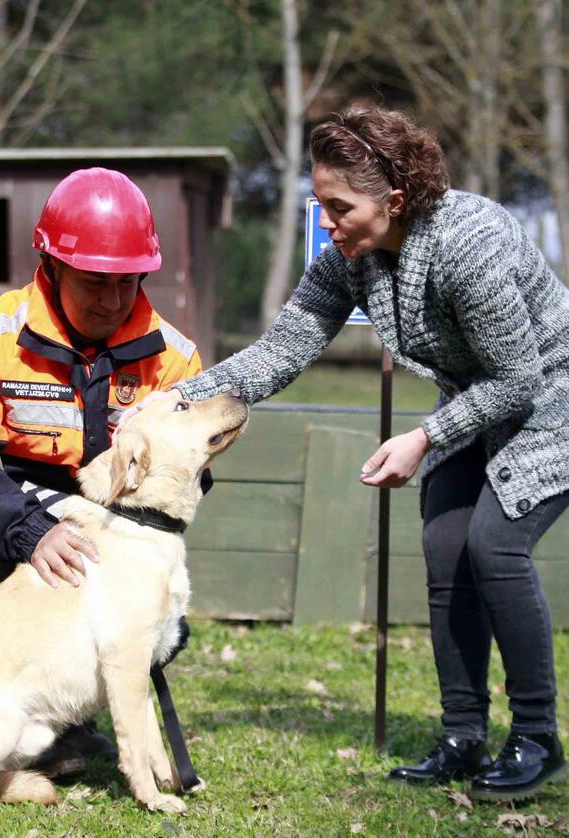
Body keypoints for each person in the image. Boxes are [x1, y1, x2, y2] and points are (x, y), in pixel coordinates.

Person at [128, 106, 569, 801]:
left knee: (493, 547)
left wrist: (425, 437)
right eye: (320, 204)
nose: (327, 223)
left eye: (340, 207)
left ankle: (537, 739)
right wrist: (178, 403)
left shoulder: (471, 243)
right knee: (445, 547)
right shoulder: (350, 260)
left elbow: (518, 380)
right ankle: (462, 737)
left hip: (552, 401)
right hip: (474, 398)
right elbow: (282, 349)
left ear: (393, 200)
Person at [0, 167, 202, 771]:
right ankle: (23, 715)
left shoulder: (175, 357)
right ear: (50, 268)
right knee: (64, 555)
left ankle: (67, 720)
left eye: (127, 282)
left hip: (110, 530)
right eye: (94, 281)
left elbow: (185, 479)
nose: (112, 300)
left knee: (159, 609)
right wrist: (30, 530)